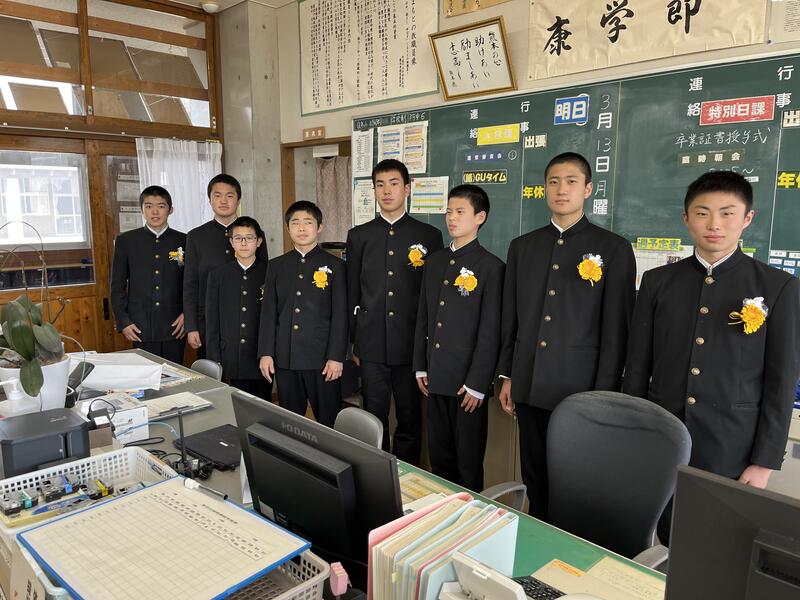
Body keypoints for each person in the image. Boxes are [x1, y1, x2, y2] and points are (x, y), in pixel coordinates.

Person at [624, 170, 800, 538]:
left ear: (747, 218)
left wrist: (764, 462)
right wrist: (634, 435)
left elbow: (781, 381)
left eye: (727, 213)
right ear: (686, 218)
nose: (714, 224)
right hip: (664, 438)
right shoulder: (658, 282)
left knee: (719, 543)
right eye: (702, 213)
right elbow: (638, 367)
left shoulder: (778, 286)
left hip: (732, 448)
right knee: (663, 535)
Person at [498, 152, 636, 519]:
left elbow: (616, 331)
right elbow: (512, 318)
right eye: (554, 182)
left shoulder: (613, 249)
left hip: (580, 390)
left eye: (571, 181)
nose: (562, 189)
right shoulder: (523, 246)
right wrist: (509, 375)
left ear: (588, 189)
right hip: (529, 382)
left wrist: (604, 395)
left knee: (575, 480)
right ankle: (539, 537)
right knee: (535, 475)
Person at [346, 159, 444, 464]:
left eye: (393, 184)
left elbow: (433, 297)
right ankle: (375, 475)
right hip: (371, 343)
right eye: (380, 185)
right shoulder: (359, 235)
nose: (386, 191)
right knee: (373, 416)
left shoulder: (429, 235)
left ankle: (406, 477)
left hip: (411, 345)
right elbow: (352, 291)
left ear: (407, 189)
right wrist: (355, 341)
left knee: (410, 418)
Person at [413, 185, 504, 491]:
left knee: (468, 463)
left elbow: (491, 331)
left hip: (468, 385)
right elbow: (424, 317)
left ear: (480, 217)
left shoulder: (492, 267)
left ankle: (470, 517)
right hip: (435, 377)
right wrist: (420, 366)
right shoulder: (435, 262)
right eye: (449, 211)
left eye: (460, 212)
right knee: (440, 459)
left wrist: (479, 383)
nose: (451, 218)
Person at [258, 201, 347, 427]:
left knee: (329, 422)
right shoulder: (276, 266)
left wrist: (336, 357)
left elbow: (340, 316)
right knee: (290, 423)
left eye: (308, 222)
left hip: (322, 360)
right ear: (288, 228)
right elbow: (268, 314)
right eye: (295, 223)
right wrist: (266, 353)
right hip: (286, 358)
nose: (301, 228)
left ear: (319, 227)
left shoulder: (335, 266)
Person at [183, 174, 267, 358]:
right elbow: (190, 284)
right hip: (208, 323)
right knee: (212, 371)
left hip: (250, 323)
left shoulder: (255, 234)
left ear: (238, 200)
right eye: (217, 195)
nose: (223, 201)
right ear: (209, 200)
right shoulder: (196, 236)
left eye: (229, 195)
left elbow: (263, 278)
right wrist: (191, 326)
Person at [110, 185, 186, 363]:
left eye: (161, 206)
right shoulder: (126, 241)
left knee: (176, 373)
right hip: (139, 326)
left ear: (171, 210)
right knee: (145, 375)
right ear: (141, 209)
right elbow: (117, 286)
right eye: (149, 206)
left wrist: (187, 315)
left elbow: (191, 283)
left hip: (175, 325)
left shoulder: (184, 240)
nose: (155, 212)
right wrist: (124, 321)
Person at [205, 216, 271, 398]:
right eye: (238, 238)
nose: (243, 243)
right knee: (233, 405)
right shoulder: (218, 276)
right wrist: (214, 358)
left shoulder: (271, 272)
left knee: (262, 405)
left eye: (249, 238)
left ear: (259, 241)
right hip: (230, 356)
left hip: (261, 357)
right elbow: (212, 320)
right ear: (231, 242)